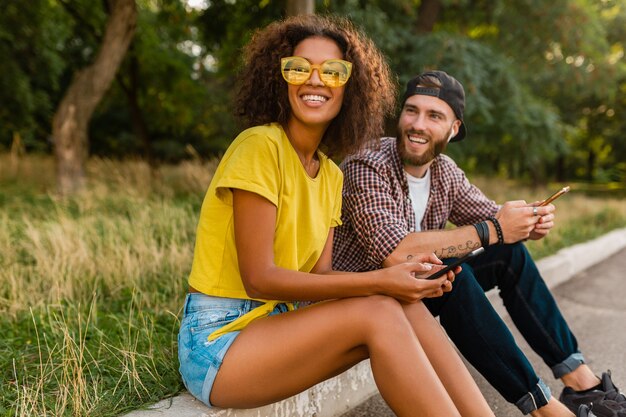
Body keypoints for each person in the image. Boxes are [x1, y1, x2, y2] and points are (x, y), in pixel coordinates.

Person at [177, 15, 497, 417]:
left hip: (277, 327)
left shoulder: (330, 174)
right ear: (281, 79)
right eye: (299, 68)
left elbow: (321, 277)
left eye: (332, 71)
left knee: (396, 303)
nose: (315, 80)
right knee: (379, 306)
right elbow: (258, 277)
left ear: (350, 86)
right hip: (220, 342)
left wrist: (398, 282)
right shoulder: (259, 146)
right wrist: (381, 280)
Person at [334, 69, 626, 417]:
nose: (418, 124)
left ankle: (582, 384)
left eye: (434, 116)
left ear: (454, 128)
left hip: (411, 294)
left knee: (508, 254)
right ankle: (543, 408)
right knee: (454, 278)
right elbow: (395, 252)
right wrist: (492, 229)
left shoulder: (445, 171)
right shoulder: (369, 164)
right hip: (362, 299)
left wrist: (529, 221)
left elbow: (494, 218)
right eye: (411, 110)